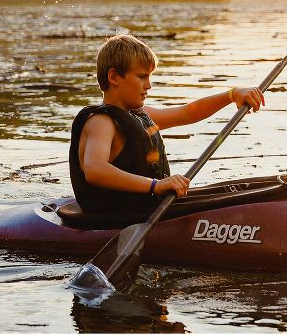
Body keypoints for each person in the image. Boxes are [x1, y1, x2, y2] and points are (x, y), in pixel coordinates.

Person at [69, 34, 265, 213]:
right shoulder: (101, 123)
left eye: (149, 77)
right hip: (113, 217)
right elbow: (95, 170)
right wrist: (156, 185)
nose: (148, 85)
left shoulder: (141, 116)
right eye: (141, 76)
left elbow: (189, 112)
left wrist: (232, 95)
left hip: (145, 208)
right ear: (114, 77)